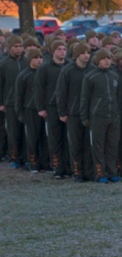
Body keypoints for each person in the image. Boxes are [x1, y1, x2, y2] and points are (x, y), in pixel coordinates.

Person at [80, 48, 122, 182]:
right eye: (104, 58)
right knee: (98, 147)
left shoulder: (115, 76)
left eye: (109, 58)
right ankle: (100, 173)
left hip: (113, 116)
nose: (106, 61)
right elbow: (84, 98)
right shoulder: (90, 77)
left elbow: (119, 97)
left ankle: (112, 171)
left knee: (112, 145)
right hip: (97, 116)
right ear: (98, 61)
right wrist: (85, 117)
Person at [56, 43, 93, 181]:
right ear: (77, 55)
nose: (86, 55)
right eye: (83, 53)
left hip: (89, 113)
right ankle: (77, 172)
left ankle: (89, 172)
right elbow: (61, 93)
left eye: (88, 52)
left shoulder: (92, 70)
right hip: (73, 113)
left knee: (88, 145)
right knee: (75, 145)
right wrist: (62, 112)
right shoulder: (67, 71)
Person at [35, 38, 70, 178]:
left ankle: (69, 167)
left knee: (68, 139)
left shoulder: (69, 66)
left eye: (64, 49)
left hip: (67, 107)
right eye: (59, 49)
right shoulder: (45, 67)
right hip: (51, 107)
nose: (62, 52)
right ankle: (57, 168)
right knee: (55, 139)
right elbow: (38, 89)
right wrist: (41, 108)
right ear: (53, 51)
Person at [15, 47, 44, 172]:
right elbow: (19, 96)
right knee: (32, 138)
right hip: (30, 109)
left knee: (44, 138)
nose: (39, 60)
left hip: (44, 109)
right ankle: (32, 163)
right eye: (35, 58)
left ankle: (45, 162)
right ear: (30, 59)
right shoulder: (24, 75)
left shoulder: (44, 73)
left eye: (40, 58)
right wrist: (20, 114)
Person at [0, 34, 27, 168]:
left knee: (25, 131)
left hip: (26, 102)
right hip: (10, 102)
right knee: (13, 131)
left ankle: (26, 157)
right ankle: (14, 157)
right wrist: (1, 102)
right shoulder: (3, 64)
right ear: (9, 47)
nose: (18, 49)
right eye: (15, 46)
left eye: (20, 46)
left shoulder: (26, 62)